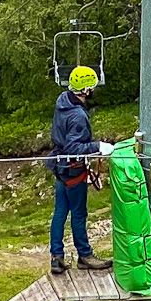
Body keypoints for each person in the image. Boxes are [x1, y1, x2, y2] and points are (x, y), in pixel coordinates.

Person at [48, 66, 113, 275]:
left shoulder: (63, 102)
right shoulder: (77, 115)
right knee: (78, 213)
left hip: (60, 167)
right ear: (86, 90)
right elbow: (73, 148)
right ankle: (85, 255)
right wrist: (98, 147)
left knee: (60, 213)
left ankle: (56, 257)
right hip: (73, 169)